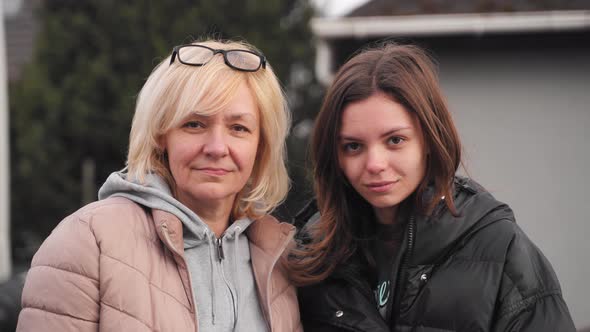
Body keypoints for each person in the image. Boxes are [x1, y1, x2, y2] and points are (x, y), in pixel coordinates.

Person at [17, 39, 302, 332]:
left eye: (238, 128)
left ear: (262, 145)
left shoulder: (283, 260)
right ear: (160, 135)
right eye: (194, 124)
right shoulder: (88, 242)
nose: (217, 147)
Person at [288, 42, 575, 331]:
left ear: (429, 138)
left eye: (395, 140)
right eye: (353, 146)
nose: (374, 163)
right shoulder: (310, 258)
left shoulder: (499, 248)